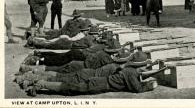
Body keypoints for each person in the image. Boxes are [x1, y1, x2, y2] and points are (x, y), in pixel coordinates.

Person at [25, 50, 157, 96]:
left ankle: (32, 76)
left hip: (91, 75)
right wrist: (150, 85)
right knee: (68, 87)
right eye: (143, 66)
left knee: (62, 76)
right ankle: (39, 83)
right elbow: (138, 88)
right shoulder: (130, 73)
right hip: (97, 84)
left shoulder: (120, 67)